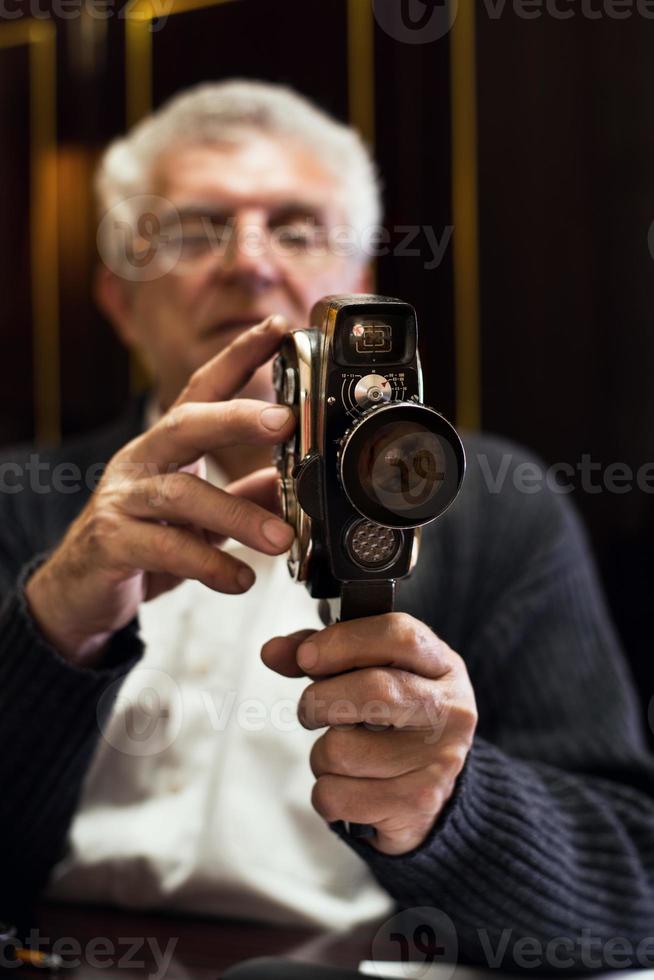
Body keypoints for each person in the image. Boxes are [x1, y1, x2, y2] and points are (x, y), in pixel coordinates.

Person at [1, 79, 653, 970]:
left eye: (299, 227)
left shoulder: (495, 502)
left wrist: (450, 806)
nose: (251, 263)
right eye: (196, 230)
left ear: (362, 285)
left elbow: (633, 885)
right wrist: (52, 623)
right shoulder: (20, 500)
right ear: (121, 299)